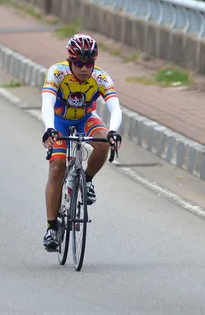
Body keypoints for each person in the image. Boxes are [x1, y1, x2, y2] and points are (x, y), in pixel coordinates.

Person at [40, 33, 123, 251]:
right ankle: (51, 228)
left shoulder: (101, 78)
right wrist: (49, 128)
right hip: (59, 122)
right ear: (70, 61)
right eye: (79, 63)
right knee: (57, 168)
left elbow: (115, 107)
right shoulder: (57, 72)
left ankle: (86, 180)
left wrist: (113, 131)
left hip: (86, 119)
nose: (84, 68)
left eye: (89, 63)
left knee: (104, 141)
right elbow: (47, 102)